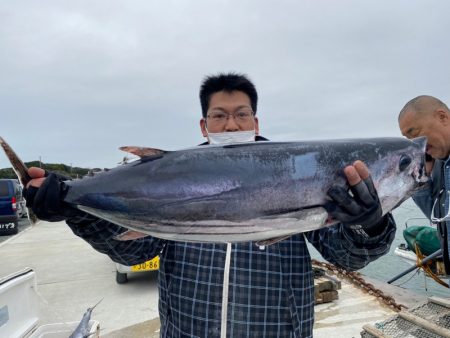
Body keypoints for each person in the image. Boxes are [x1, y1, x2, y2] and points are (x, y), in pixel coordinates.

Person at [24, 73, 395, 338]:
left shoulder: (298, 175)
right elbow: (134, 250)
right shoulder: (172, 176)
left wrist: (368, 223)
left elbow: (348, 257)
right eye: (219, 115)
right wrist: (76, 209)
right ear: (204, 126)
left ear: (256, 120)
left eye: (241, 114)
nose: (231, 125)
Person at [398, 95, 450, 274]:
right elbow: (438, 217)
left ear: (442, 117)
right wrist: (423, 177)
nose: (414, 144)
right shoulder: (439, 165)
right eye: (408, 139)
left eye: (415, 133)